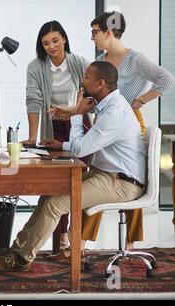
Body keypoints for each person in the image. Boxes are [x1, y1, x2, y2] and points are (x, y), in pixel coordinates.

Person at [0, 61, 146, 272]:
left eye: (87, 77)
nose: (82, 80)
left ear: (100, 83)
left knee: (55, 204)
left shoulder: (115, 113)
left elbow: (81, 150)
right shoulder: (109, 104)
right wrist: (63, 144)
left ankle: (21, 260)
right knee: (50, 194)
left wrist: (77, 113)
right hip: (107, 174)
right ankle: (18, 248)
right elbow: (84, 144)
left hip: (121, 183)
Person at [49, 11, 175, 251]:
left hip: (128, 124)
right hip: (104, 122)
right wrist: (70, 112)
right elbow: (87, 96)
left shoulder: (135, 59)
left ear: (109, 32)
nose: (92, 37)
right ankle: (81, 244)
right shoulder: (101, 60)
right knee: (96, 178)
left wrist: (140, 100)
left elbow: (166, 80)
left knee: (131, 178)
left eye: (95, 32)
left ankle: (129, 245)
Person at [22, 21, 92, 253]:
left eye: (55, 40)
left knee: (79, 184)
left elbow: (93, 95)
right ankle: (61, 237)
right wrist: (32, 138)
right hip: (52, 130)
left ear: (64, 39)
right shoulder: (36, 66)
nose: (51, 46)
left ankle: (76, 238)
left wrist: (75, 109)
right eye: (45, 43)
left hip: (78, 127)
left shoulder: (80, 63)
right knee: (56, 186)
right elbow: (33, 100)